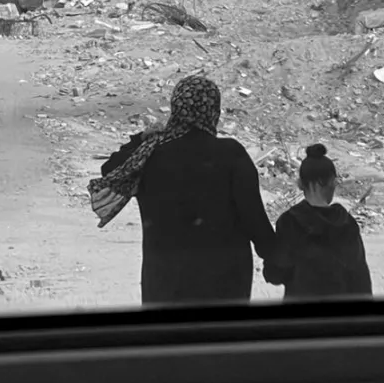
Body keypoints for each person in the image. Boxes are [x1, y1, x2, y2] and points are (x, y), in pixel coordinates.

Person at [87, 75, 276, 306]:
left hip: (165, 285)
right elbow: (254, 219)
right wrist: (279, 261)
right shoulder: (231, 154)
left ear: (176, 108)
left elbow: (111, 171)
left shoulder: (149, 155)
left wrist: (140, 139)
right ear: (213, 110)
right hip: (225, 286)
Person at [265, 145, 373, 301]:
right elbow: (360, 280)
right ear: (330, 182)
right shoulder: (346, 223)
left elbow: (275, 274)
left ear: (300, 184)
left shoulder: (289, 222)